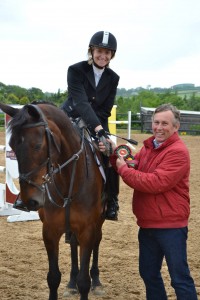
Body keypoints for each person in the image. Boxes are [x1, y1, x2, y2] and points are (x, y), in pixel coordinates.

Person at [105, 103, 198, 299]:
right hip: (147, 224)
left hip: (171, 225)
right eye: (156, 122)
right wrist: (115, 155)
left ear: (176, 127)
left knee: (179, 278)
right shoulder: (149, 147)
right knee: (149, 274)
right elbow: (133, 164)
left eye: (165, 123)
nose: (159, 127)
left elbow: (155, 183)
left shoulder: (178, 152)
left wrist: (123, 169)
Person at [61, 31, 120, 221]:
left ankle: (112, 201)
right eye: (99, 51)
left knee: (110, 152)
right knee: (52, 147)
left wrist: (99, 131)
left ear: (112, 55)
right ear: (91, 51)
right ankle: (34, 195)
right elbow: (81, 103)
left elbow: (105, 109)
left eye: (107, 52)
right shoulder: (75, 70)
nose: (103, 56)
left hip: (98, 123)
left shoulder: (113, 78)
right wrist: (97, 128)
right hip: (70, 118)